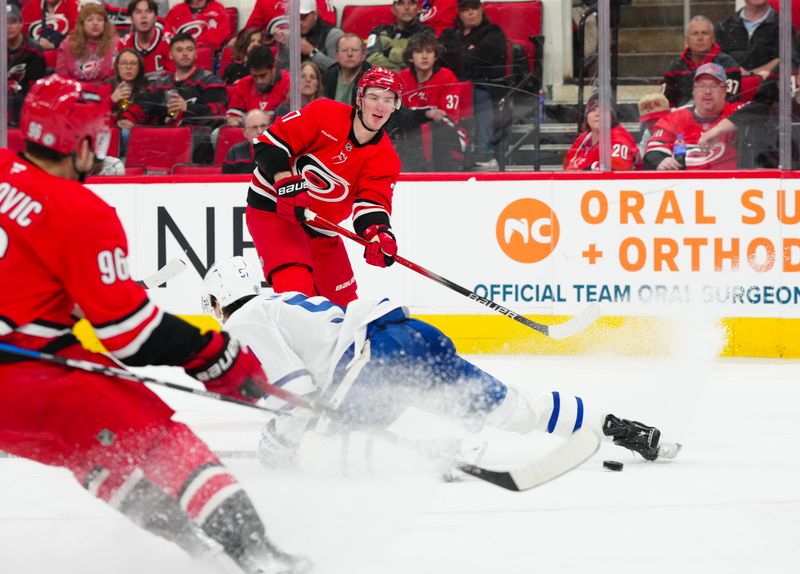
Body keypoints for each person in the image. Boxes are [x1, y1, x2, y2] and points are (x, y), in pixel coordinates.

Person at [0, 75, 310, 574]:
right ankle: (261, 557)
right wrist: (214, 355)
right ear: (78, 142)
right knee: (162, 443)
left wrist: (82, 297)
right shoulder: (80, 213)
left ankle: (198, 552)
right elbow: (128, 335)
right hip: (29, 378)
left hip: (15, 384)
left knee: (94, 452)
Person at [200, 256, 682, 473]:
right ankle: (618, 427)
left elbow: (298, 391)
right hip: (411, 335)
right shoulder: (280, 298)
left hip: (375, 360)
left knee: (328, 449)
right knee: (512, 409)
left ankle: (439, 448)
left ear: (219, 299)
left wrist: (280, 441)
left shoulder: (245, 316)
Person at [246, 67, 403, 307]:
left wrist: (379, 235)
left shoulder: (387, 159)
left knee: (345, 308)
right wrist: (286, 181)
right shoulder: (325, 113)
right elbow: (267, 145)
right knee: (298, 299)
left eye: (388, 100)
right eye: (374, 97)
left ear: (395, 106)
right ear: (360, 98)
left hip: (321, 228)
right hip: (275, 212)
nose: (380, 106)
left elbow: (371, 204)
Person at [439, 0, 507, 169]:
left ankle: (485, 153)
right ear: (459, 13)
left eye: (474, 8)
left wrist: (460, 54)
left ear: (481, 10)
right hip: (454, 85)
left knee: (479, 96)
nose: (470, 13)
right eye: (465, 9)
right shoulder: (449, 34)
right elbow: (442, 56)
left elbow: (478, 59)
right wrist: (468, 51)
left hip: (484, 86)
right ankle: (450, 153)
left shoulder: (493, 32)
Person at [644, 63, 746, 171]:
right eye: (701, 86)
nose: (707, 92)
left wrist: (718, 129)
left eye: (714, 86)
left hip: (729, 183)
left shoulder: (737, 110)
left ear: (725, 91)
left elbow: (760, 110)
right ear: (693, 91)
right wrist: (660, 161)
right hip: (684, 184)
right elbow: (652, 152)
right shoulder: (675, 118)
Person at [121, 33, 227, 128]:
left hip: (197, 140)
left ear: (196, 54)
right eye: (179, 50)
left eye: (189, 49)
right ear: (171, 55)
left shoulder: (210, 82)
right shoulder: (158, 85)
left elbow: (219, 113)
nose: (185, 54)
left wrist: (186, 107)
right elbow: (142, 108)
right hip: (162, 138)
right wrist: (129, 120)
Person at [395, 33, 463, 171]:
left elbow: (448, 116)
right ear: (410, 57)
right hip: (410, 135)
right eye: (419, 52)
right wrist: (426, 113)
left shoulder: (447, 76)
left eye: (429, 52)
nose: (425, 56)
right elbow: (399, 115)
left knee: (439, 132)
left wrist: (418, 114)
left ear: (435, 56)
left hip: (444, 134)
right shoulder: (401, 78)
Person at [662, 15, 741, 107]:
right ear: (687, 39)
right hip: (681, 117)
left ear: (713, 38)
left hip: (717, 117)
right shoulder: (675, 67)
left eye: (705, 33)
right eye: (695, 33)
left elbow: (730, 101)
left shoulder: (727, 64)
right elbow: (666, 102)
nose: (700, 38)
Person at [563, 91, 641, 171]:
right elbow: (567, 166)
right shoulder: (583, 139)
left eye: (603, 110)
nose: (597, 114)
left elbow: (615, 168)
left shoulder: (620, 138)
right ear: (587, 117)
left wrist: (583, 171)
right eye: (593, 110)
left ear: (612, 116)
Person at [55, 2, 117, 87]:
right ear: (82, 24)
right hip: (73, 92)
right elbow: (61, 77)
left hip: (105, 93)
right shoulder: (67, 45)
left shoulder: (115, 44)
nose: (95, 23)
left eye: (100, 19)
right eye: (90, 19)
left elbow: (116, 77)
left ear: (105, 24)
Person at [226, 45, 290, 127]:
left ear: (273, 69)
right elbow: (233, 117)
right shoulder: (243, 84)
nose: (259, 81)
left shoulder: (288, 83)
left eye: (263, 75)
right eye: (254, 76)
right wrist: (235, 122)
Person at [715, 0, 779, 81]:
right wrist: (735, 70)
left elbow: (790, 59)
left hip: (770, 88)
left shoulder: (783, 26)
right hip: (733, 88)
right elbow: (717, 57)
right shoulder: (725, 26)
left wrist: (755, 74)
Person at [6, 3, 47, 127]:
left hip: (23, 98)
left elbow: (36, 86)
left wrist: (16, 87)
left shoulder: (34, 51)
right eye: (4, 21)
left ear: (21, 23)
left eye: (12, 22)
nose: (8, 26)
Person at [365, 0, 433, 72]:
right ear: (393, 9)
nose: (406, 7)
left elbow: (421, 62)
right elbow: (370, 59)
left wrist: (390, 52)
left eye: (411, 3)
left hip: (412, 82)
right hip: (381, 81)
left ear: (418, 8)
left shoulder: (426, 33)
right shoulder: (378, 31)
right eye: (401, 3)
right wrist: (400, 69)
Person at [118, 0, 174, 81]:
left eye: (148, 11)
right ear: (131, 19)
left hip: (163, 90)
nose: (143, 16)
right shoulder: (124, 44)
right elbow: (115, 78)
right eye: (138, 12)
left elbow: (177, 78)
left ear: (156, 17)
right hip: (134, 90)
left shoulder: (169, 42)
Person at [244, 0, 335, 43]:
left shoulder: (320, 1)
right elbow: (250, 31)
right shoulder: (264, 1)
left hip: (309, 54)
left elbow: (328, 33)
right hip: (273, 57)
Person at [322, 33, 371, 105]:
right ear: (337, 55)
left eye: (354, 50)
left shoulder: (373, 80)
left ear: (363, 55)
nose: (349, 54)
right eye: (344, 50)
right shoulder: (327, 77)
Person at [296, 0, 344, 73]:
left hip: (325, 82)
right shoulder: (292, 34)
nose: (300, 22)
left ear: (315, 14)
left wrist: (312, 52)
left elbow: (338, 70)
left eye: (303, 17)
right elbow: (285, 69)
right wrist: (282, 49)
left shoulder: (333, 34)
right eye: (296, 17)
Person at [164, 0, 230, 52]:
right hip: (181, 53)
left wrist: (199, 44)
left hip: (207, 54)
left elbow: (220, 36)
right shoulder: (176, 10)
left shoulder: (217, 9)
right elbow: (167, 34)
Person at [223, 109, 272, 174]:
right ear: (245, 132)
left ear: (271, 127)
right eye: (254, 127)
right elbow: (227, 181)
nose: (260, 131)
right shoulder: (235, 152)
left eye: (263, 126)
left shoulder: (282, 149)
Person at [109, 47, 150, 124]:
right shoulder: (106, 87)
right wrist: (111, 100)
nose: (128, 67)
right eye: (124, 63)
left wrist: (131, 120)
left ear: (139, 67)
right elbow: (97, 116)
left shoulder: (149, 89)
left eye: (133, 63)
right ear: (117, 66)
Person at [636, 92, 671, 157]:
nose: (651, 124)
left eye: (655, 119)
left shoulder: (680, 123)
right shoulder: (648, 132)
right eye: (648, 120)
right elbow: (642, 150)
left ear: (669, 114)